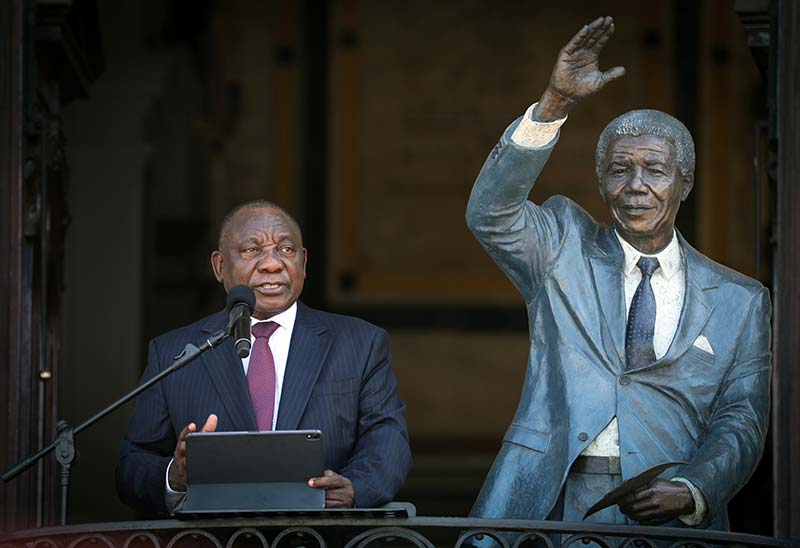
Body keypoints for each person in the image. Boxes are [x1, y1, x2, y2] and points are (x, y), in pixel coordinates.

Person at [466, 17, 770, 533]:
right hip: (549, 500)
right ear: (601, 180)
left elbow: (742, 417)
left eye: (654, 170)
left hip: (668, 512)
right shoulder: (562, 245)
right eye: (620, 169)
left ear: (684, 183)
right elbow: (490, 214)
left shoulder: (742, 300)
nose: (636, 186)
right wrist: (553, 105)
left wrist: (696, 487)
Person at [116, 200, 411, 516]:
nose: (272, 264)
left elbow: (387, 440)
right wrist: (174, 477)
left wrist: (355, 488)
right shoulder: (172, 353)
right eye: (251, 251)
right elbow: (134, 462)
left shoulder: (361, 342)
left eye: (286, 250)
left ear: (304, 262)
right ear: (219, 266)